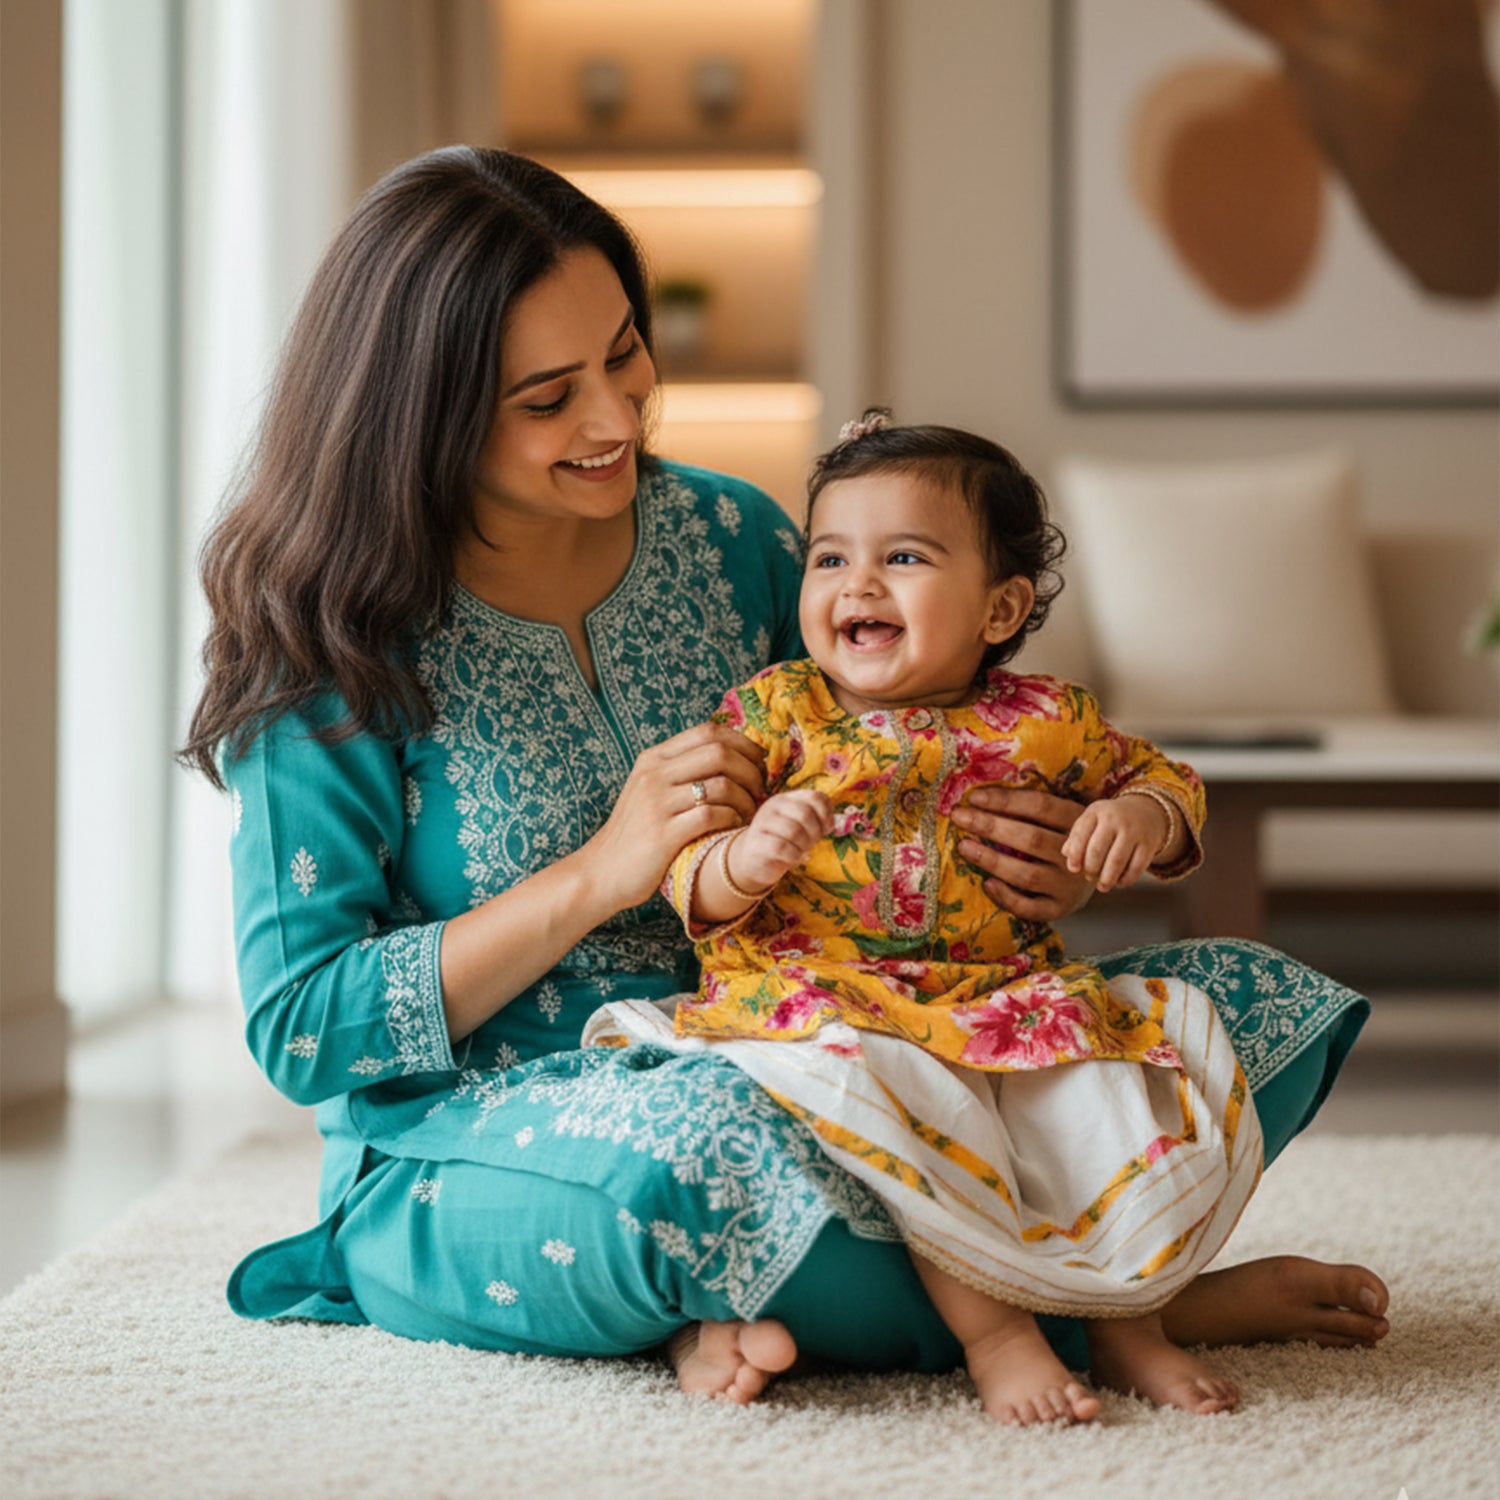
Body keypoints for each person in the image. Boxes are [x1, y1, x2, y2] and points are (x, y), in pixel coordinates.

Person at [181, 145, 1388, 1413]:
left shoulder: (733, 535)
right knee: (701, 1167)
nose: (614, 420)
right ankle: (1126, 1293)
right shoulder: (326, 637)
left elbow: (891, 773)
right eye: (547, 399)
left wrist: (1026, 853)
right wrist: (599, 874)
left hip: (836, 1040)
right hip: (501, 1129)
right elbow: (304, 1026)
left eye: (626, 354)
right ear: (417, 414)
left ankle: (824, 1300)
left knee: (1231, 1016)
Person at [586, 413, 1262, 1423]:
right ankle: (999, 1340)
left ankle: (1131, 1325)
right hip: (828, 997)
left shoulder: (1047, 719)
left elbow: (1163, 780)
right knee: (922, 1104)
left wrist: (1137, 819)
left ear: (1000, 608)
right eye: (830, 558)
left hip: (1002, 998)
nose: (856, 584)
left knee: (1110, 1095)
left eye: (902, 557)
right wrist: (746, 858)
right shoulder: (777, 715)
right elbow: (686, 873)